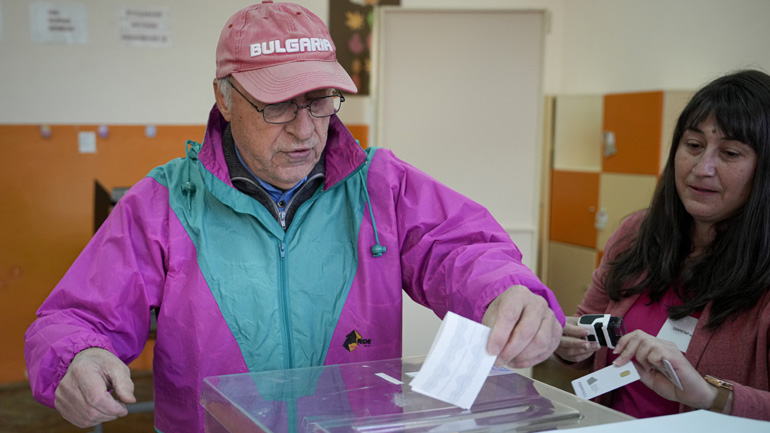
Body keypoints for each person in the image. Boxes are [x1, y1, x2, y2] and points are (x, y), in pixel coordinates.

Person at [24, 2, 565, 432]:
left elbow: (462, 249)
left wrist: (505, 290)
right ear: (225, 98)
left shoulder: (382, 185)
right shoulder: (165, 203)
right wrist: (75, 358)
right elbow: (73, 320)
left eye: (322, 100)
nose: (306, 130)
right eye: (279, 106)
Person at [555, 69, 770, 420]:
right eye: (694, 146)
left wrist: (710, 395)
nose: (703, 168)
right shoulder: (635, 234)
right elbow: (582, 329)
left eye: (730, 153)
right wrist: (567, 345)